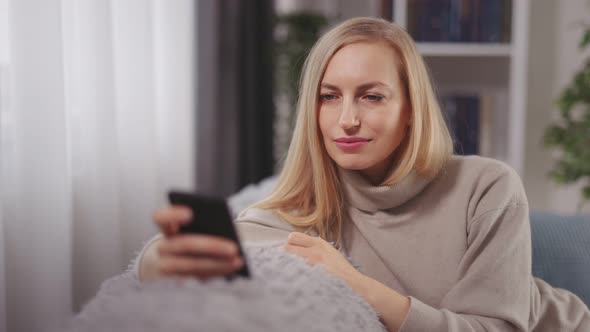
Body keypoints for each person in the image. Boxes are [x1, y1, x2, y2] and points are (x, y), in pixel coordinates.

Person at [134, 17, 590, 331]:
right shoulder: (304, 207)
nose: (346, 119)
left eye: (371, 97)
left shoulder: (485, 186)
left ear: (410, 109)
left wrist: (358, 286)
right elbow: (214, 247)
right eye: (329, 97)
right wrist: (162, 261)